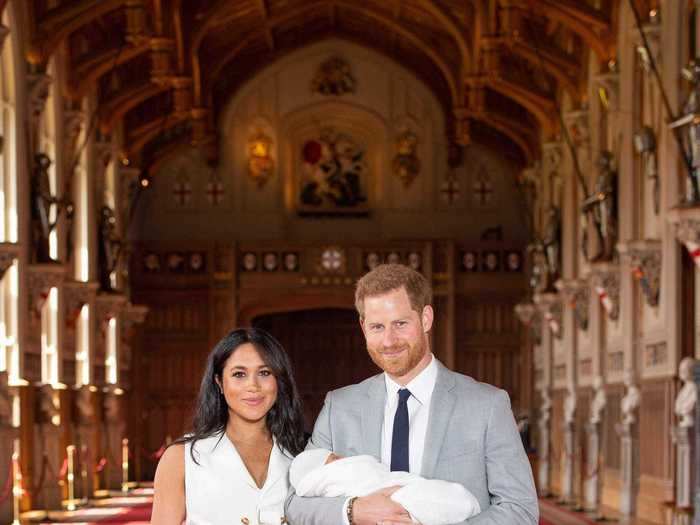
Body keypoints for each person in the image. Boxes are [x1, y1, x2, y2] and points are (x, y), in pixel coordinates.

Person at [286, 264, 538, 525]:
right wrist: (353, 511)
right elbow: (295, 505)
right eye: (377, 327)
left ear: (426, 318)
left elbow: (519, 509)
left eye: (400, 323)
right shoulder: (339, 407)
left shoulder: (487, 405)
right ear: (363, 328)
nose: (389, 341)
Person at [152, 328, 306, 525]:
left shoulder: (303, 452)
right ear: (219, 383)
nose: (253, 386)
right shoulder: (181, 457)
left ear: (279, 381)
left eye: (265, 372)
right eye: (239, 374)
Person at [289, 448, 481, 525]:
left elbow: (510, 504)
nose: (343, 459)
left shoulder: (491, 403)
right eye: (336, 458)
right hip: (397, 496)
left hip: (402, 489)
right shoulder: (335, 405)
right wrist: (353, 509)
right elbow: (295, 506)